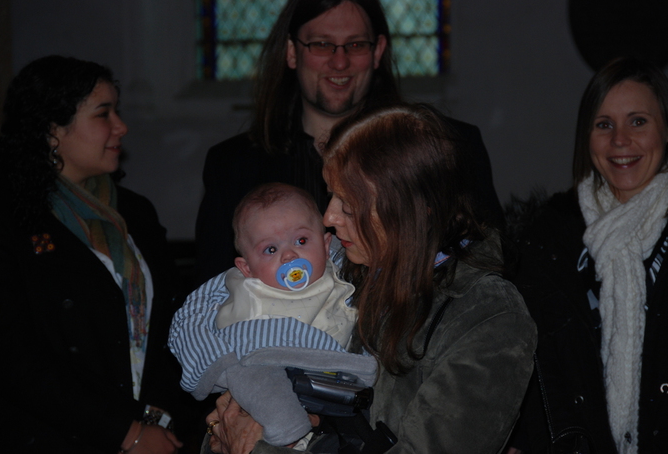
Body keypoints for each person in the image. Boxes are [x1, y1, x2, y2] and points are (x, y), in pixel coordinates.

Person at [176, 103, 537, 454]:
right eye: (331, 196)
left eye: (348, 205)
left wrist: (261, 449)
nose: (328, 217)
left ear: (408, 210)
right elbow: (230, 398)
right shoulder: (338, 264)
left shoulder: (488, 318)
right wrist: (222, 430)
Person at [194, 0, 504, 284]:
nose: (340, 62)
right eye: (321, 44)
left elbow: (485, 266)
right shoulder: (232, 165)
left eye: (356, 45)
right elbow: (212, 291)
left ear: (378, 51)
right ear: (291, 52)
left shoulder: (449, 149)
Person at [0, 55, 190, 454]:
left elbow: (174, 323)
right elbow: (11, 356)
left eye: (117, 111)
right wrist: (125, 432)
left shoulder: (136, 212)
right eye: (103, 114)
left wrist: (157, 417)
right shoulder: (0, 217)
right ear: (52, 129)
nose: (121, 126)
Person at [510, 57, 668, 453]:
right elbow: (531, 364)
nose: (620, 140)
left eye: (638, 121)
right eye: (604, 125)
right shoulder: (548, 237)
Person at [170, 182, 377, 447]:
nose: (289, 255)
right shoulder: (243, 288)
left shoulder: (340, 271)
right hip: (260, 359)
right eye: (271, 249)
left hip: (329, 387)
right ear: (246, 268)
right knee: (257, 381)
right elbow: (190, 318)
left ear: (327, 245)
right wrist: (218, 364)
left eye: (301, 241)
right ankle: (285, 430)